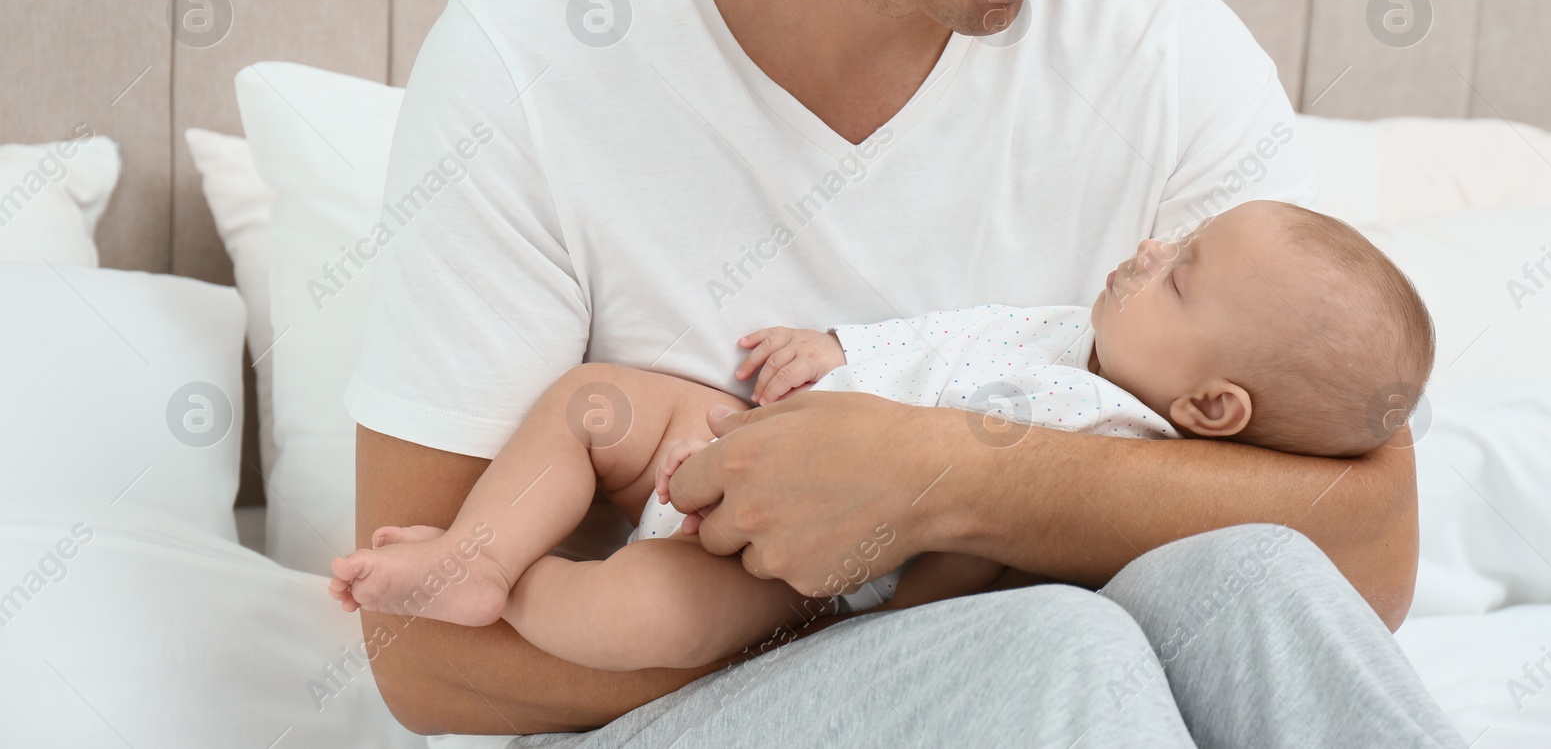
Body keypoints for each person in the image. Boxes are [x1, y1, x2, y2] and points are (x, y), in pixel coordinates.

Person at [344, 0, 1465, 745]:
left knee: (1244, 578)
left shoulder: (1169, 55)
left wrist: (943, 478)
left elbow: (1363, 544)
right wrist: (863, 620)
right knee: (1052, 643)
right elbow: (422, 653)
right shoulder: (530, 63)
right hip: (664, 699)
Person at [329, 199, 1437, 670]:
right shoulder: (1077, 333)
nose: (1148, 247)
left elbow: (979, 561)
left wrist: (879, 609)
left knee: (624, 612)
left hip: (802, 577)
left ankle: (522, 595)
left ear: (1212, 408)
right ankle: (478, 556)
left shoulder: (1121, 449)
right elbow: (952, 336)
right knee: (594, 399)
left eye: (1179, 272)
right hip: (744, 422)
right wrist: (836, 346)